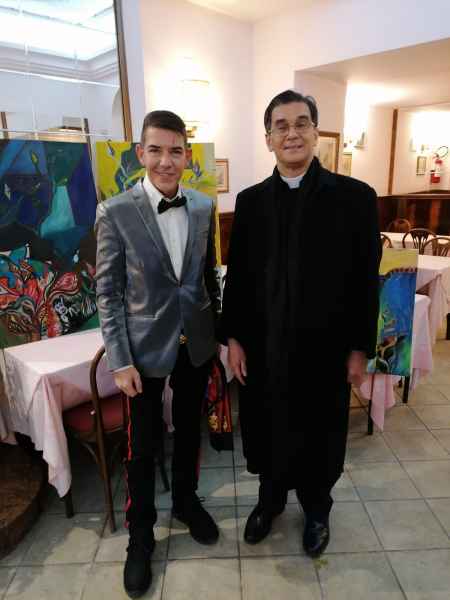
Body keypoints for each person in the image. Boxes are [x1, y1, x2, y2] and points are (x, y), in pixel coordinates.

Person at [221, 90, 381, 557]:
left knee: (320, 431)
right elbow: (239, 278)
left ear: (315, 132)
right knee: (268, 427)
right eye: (281, 126)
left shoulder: (355, 198)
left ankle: (316, 509)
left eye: (301, 123)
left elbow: (365, 282)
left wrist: (359, 348)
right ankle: (269, 501)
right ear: (268, 138)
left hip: (325, 349)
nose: (291, 133)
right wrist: (234, 338)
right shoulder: (250, 202)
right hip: (264, 347)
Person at [95, 110, 221, 598]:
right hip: (141, 351)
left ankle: (186, 502)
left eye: (175, 151)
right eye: (156, 150)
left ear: (187, 155)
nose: (166, 161)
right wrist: (119, 359)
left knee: (190, 431)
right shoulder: (115, 212)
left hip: (196, 341)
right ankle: (141, 536)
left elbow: (206, 277)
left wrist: (216, 332)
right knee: (141, 447)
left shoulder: (204, 206)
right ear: (140, 153)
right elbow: (107, 293)